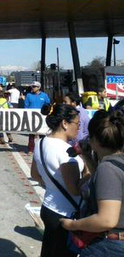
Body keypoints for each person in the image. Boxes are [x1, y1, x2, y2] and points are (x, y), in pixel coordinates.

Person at [60, 109, 124, 256]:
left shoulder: (107, 168)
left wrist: (73, 225)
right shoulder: (116, 163)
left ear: (94, 139)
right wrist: (88, 157)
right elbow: (107, 186)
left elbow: (107, 220)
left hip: (109, 247)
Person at [30, 103, 85, 257]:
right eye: (77, 124)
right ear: (64, 123)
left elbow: (34, 174)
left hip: (48, 207)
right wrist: (88, 167)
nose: (79, 128)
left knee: (49, 250)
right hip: (66, 213)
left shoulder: (41, 143)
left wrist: (51, 184)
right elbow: (75, 189)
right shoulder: (67, 153)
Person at [25, 81, 50, 153]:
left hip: (42, 117)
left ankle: (42, 148)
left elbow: (48, 105)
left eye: (34, 86)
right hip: (31, 117)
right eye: (32, 86)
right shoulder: (29, 95)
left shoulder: (44, 95)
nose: (32, 88)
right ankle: (31, 149)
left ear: (39, 87)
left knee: (42, 134)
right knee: (31, 134)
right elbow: (26, 106)